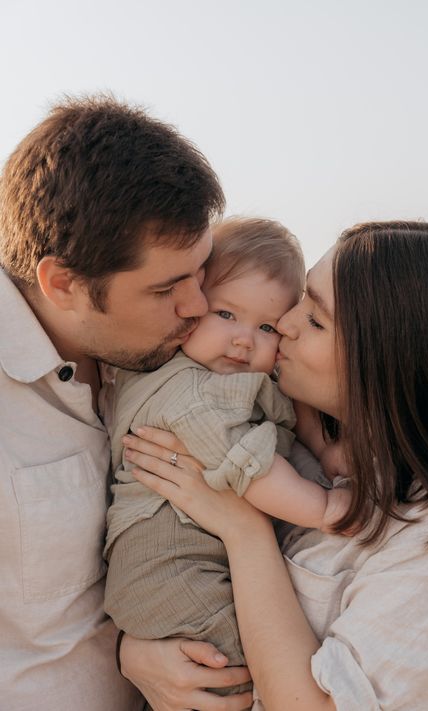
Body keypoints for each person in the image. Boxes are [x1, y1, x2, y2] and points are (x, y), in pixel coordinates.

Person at [124, 221, 428, 710]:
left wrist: (244, 532)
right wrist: (137, 652)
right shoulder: (301, 444)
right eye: (302, 300)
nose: (284, 322)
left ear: (386, 358)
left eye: (315, 319)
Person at [0, 95, 252, 710]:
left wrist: (128, 652)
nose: (197, 305)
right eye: (167, 287)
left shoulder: (173, 354)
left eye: (200, 271)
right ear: (63, 284)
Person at [104, 217, 351, 704]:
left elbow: (280, 421)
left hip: (190, 553)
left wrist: (322, 447)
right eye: (225, 314)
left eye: (266, 327)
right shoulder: (190, 391)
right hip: (167, 556)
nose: (244, 340)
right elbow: (248, 465)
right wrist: (325, 508)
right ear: (191, 306)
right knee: (232, 669)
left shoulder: (227, 378)